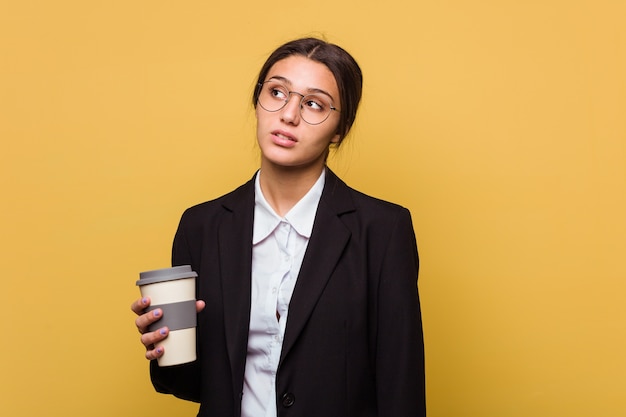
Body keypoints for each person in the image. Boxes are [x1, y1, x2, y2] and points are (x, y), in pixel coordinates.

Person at [132, 37, 426, 417]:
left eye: (314, 104)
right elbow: (190, 385)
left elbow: (400, 389)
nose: (289, 115)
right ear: (257, 101)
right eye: (276, 92)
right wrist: (162, 347)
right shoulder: (202, 226)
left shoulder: (383, 231)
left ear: (340, 128)